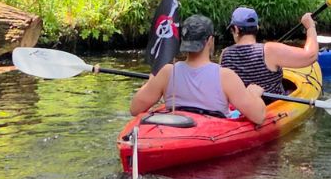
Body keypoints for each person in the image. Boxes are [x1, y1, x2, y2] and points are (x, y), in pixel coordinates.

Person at [130, 14, 267, 126]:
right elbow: (259, 117)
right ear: (210, 40)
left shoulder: (166, 72)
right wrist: (254, 94)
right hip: (209, 135)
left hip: (177, 131)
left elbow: (134, 109)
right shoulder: (226, 76)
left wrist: (151, 82)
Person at [220, 7, 319, 96]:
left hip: (240, 109)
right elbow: (311, 56)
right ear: (257, 28)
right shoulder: (269, 50)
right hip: (273, 106)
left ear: (236, 29)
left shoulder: (225, 54)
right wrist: (310, 27)